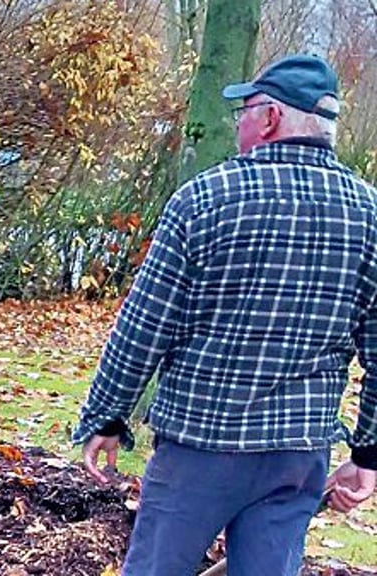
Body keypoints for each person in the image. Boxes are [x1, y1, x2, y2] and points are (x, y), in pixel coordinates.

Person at [74, 54, 377, 576]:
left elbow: (145, 324)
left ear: (271, 118)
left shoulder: (204, 200)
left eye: (245, 109)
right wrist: (369, 454)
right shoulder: (370, 214)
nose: (238, 121)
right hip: (295, 454)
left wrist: (107, 414)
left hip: (200, 445)